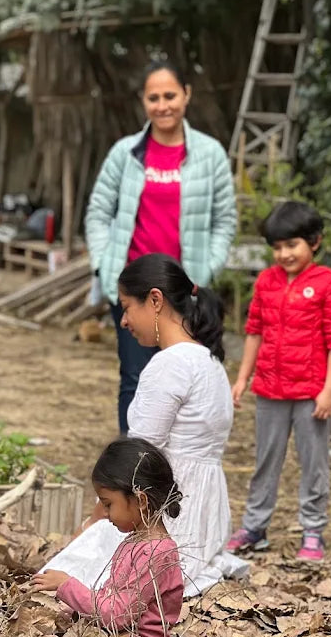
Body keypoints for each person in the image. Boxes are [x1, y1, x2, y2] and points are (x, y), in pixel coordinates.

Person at [43, 253, 246, 597]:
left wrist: (93, 522)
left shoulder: (170, 364)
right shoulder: (210, 361)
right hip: (207, 516)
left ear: (155, 300)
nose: (123, 321)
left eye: (126, 307)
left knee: (66, 575)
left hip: (167, 513)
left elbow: (136, 460)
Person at [85, 59, 237, 434]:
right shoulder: (125, 153)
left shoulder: (210, 154)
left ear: (187, 95)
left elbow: (225, 219)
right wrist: (105, 266)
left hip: (185, 291)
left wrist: (208, 268)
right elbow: (98, 212)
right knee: (135, 379)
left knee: (188, 378)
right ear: (143, 101)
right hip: (135, 291)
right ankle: (134, 462)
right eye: (154, 98)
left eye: (170, 95)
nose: (163, 105)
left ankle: (179, 459)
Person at [227, 201, 331, 562]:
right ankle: (255, 527)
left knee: (314, 463)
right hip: (270, 389)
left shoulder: (329, 285)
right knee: (265, 460)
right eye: (277, 247)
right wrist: (242, 378)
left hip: (312, 394)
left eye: (292, 245)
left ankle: (313, 530)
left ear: (315, 242)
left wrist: (328, 391)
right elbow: (254, 331)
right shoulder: (266, 282)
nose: (284, 254)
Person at [32, 438, 184, 637]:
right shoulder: (136, 541)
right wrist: (77, 609)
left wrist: (67, 585)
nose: (103, 513)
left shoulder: (156, 553)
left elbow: (117, 615)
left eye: (108, 504)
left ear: (141, 500)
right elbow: (113, 596)